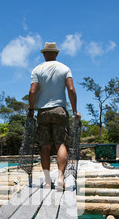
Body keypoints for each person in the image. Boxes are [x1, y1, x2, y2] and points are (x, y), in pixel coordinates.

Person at [28, 42, 81, 190]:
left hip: (43, 112)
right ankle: (60, 178)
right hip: (60, 110)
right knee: (61, 144)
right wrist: (75, 111)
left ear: (44, 54)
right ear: (56, 54)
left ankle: (46, 181)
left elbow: (32, 92)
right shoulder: (65, 68)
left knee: (45, 146)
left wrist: (31, 109)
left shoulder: (36, 70)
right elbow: (71, 89)